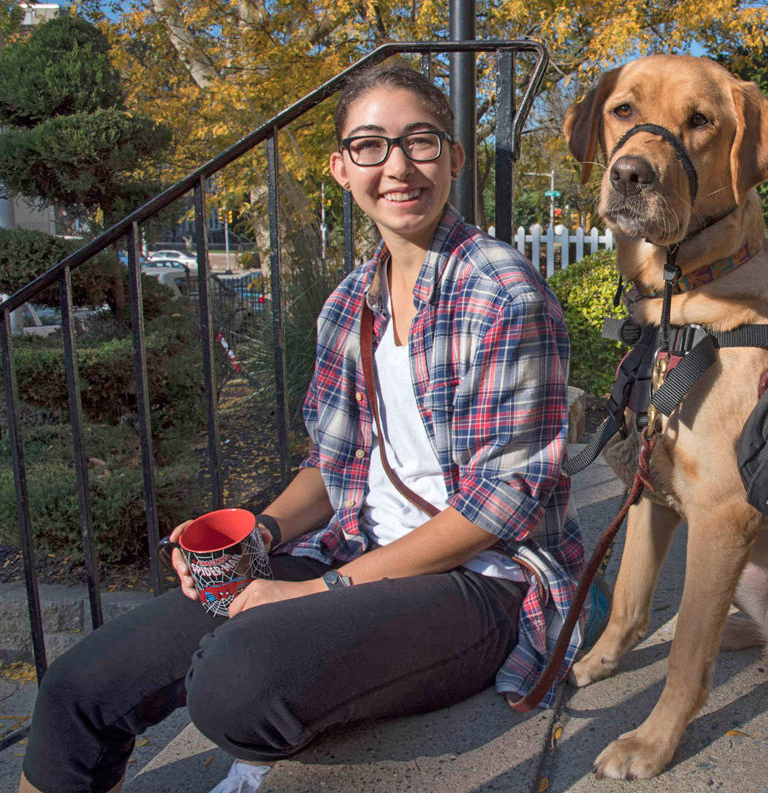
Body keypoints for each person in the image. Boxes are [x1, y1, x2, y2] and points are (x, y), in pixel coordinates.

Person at [19, 63, 586, 793]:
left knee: (238, 683)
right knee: (78, 689)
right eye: (372, 146)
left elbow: (497, 507)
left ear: (455, 157)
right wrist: (257, 537)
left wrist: (321, 595)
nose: (399, 166)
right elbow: (332, 464)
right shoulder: (348, 303)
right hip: (350, 551)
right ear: (342, 167)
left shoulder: (506, 294)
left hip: (481, 585)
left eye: (421, 141)